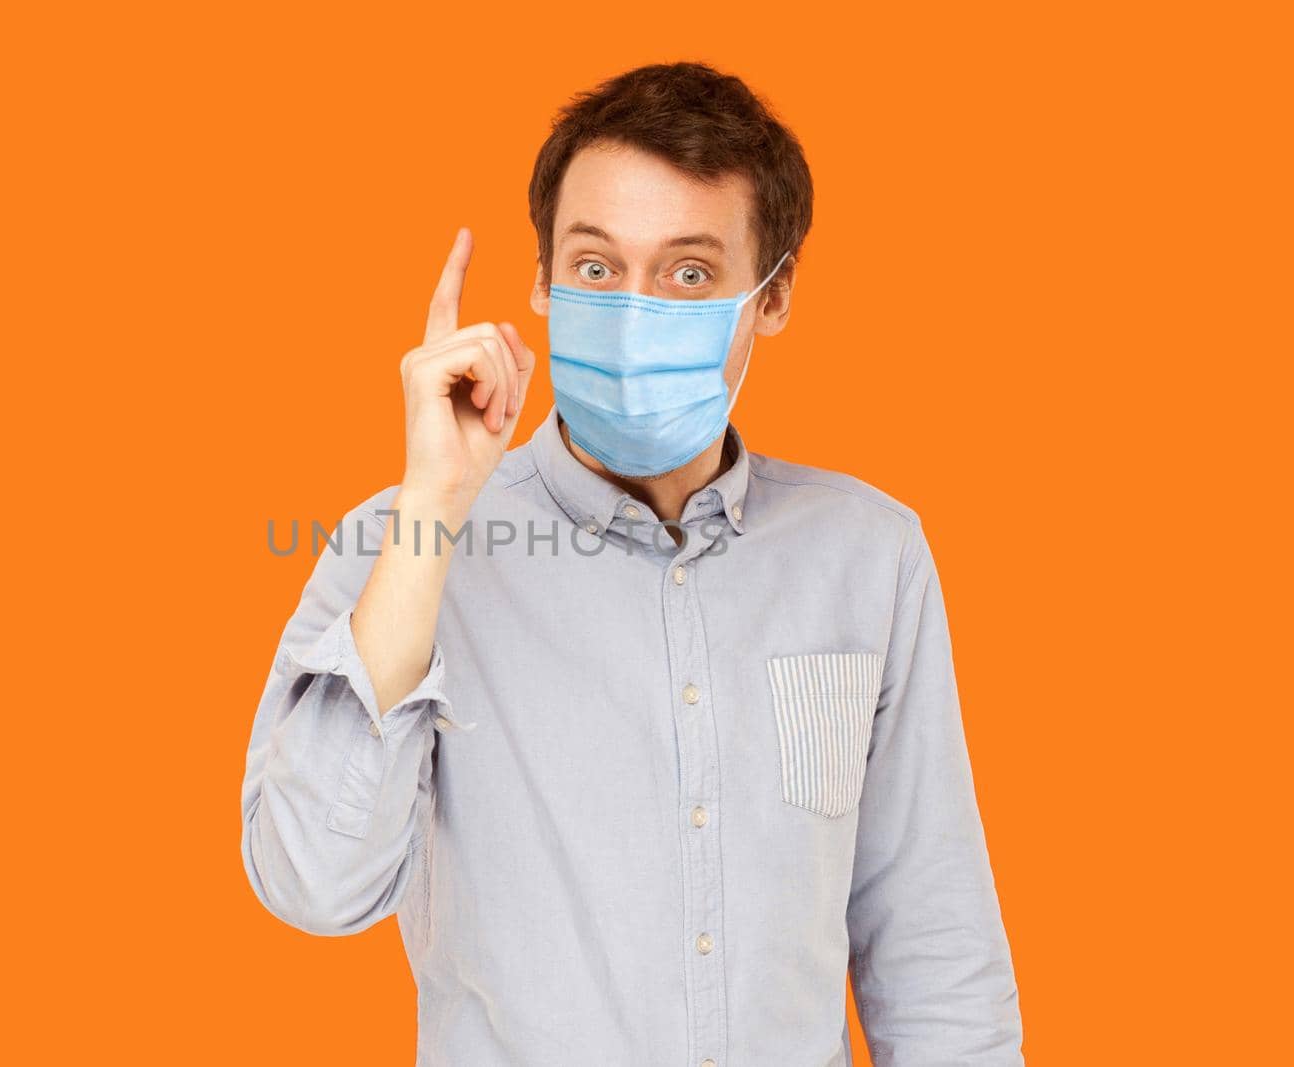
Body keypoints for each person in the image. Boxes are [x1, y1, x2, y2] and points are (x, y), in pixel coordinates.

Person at [240, 60, 1024, 1065]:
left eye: (688, 273)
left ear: (771, 294)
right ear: (542, 280)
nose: (633, 307)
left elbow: (929, 935)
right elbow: (313, 883)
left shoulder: (868, 554)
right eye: (597, 266)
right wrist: (432, 506)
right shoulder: (406, 543)